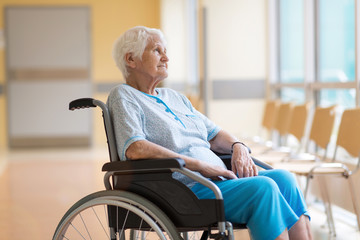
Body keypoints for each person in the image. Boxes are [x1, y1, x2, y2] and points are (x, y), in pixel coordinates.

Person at [108, 26, 313, 240]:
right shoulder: (123, 96)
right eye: (157, 51)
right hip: (182, 189)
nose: (166, 58)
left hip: (214, 180)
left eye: (165, 51)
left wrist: (238, 147)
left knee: (284, 179)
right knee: (263, 188)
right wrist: (200, 166)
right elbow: (135, 148)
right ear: (131, 59)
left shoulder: (174, 97)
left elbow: (214, 134)